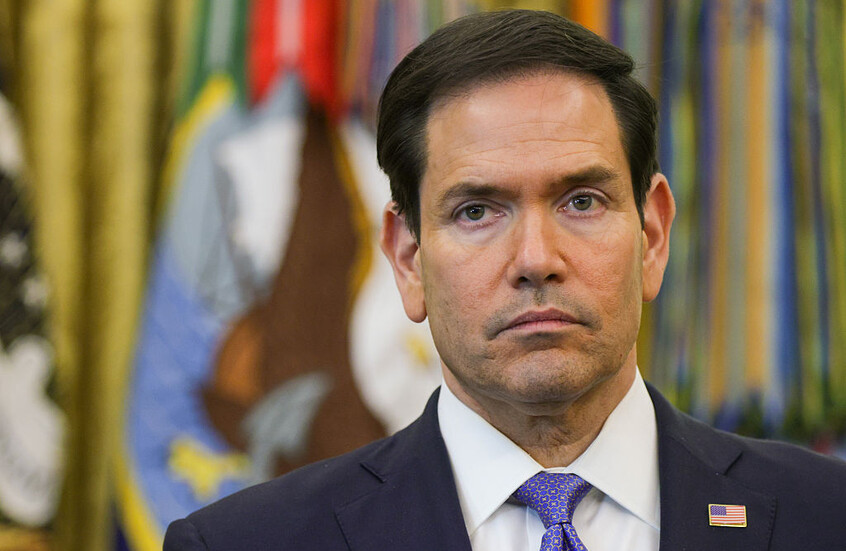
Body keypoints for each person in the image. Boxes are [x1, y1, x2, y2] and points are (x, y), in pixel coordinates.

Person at [164, 9, 846, 551]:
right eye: (477, 211)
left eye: (581, 201)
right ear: (408, 259)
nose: (535, 258)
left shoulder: (826, 516)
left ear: (653, 235)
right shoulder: (246, 542)